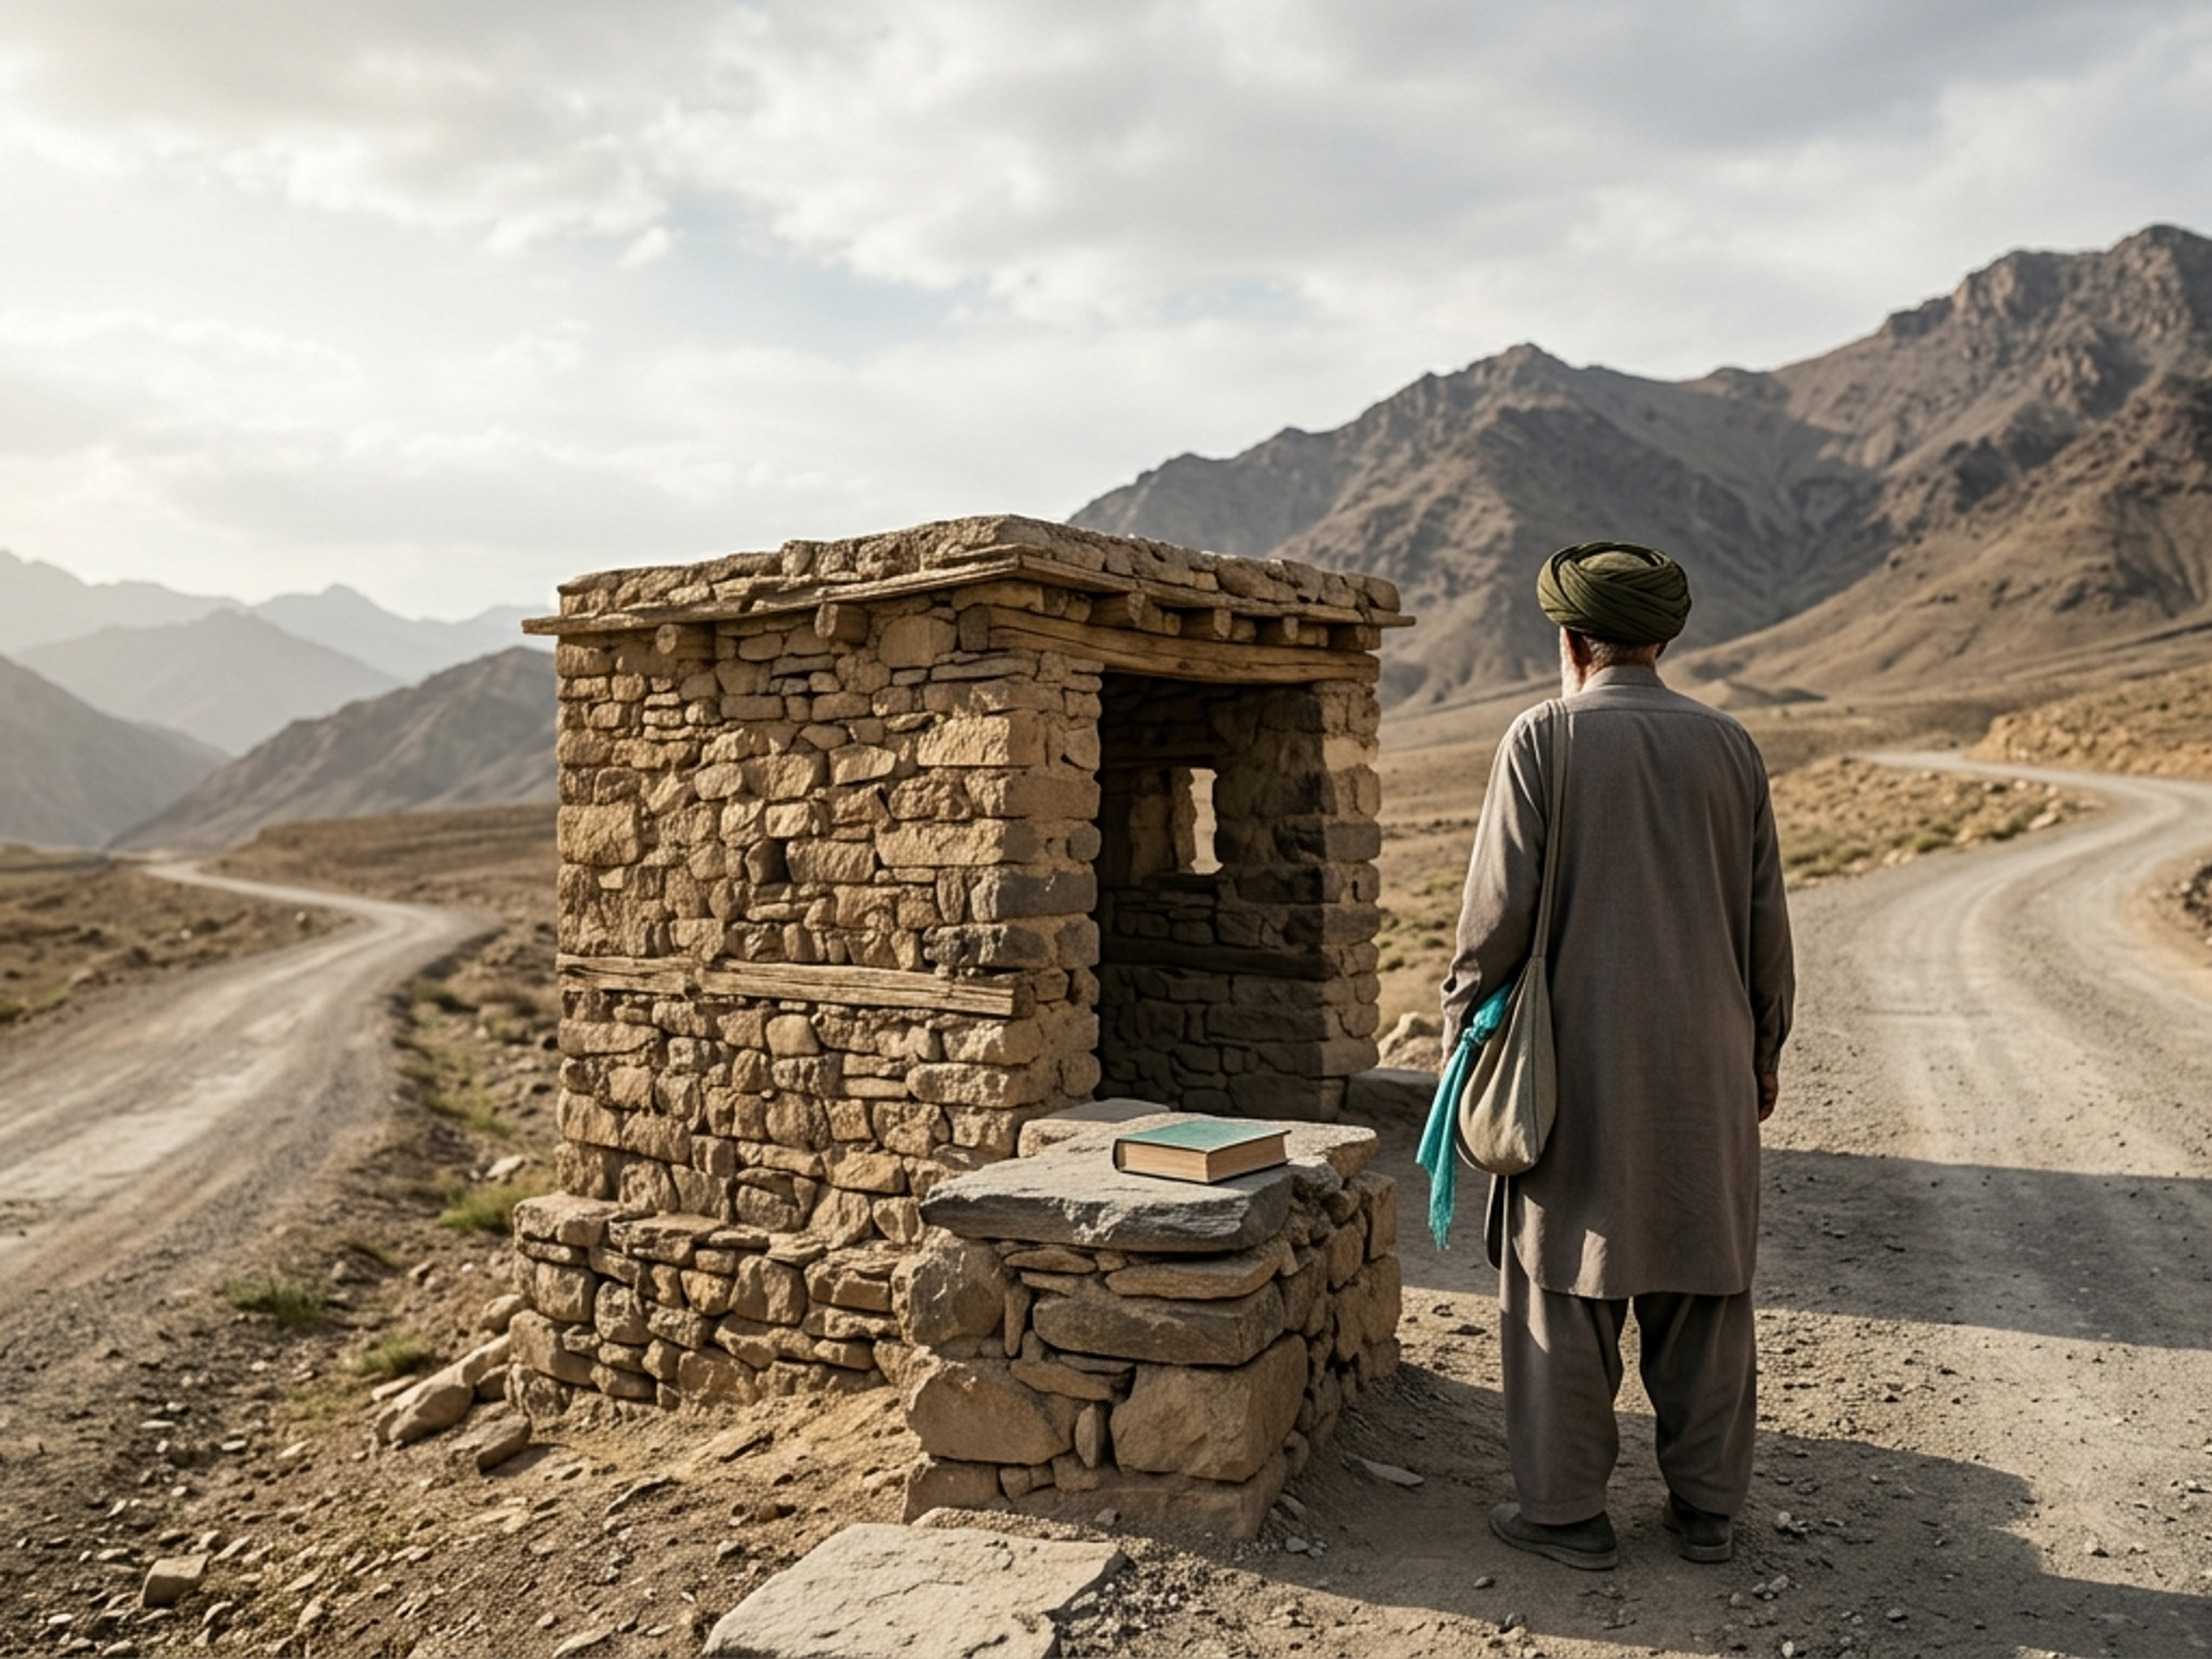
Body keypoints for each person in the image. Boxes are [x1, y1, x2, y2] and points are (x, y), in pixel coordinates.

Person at [1439, 541, 1794, 1570]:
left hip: (1573, 1067)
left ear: (1568, 640)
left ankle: (1566, 1517)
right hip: (1710, 1065)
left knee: (1561, 1281)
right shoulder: (1732, 745)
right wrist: (1763, 1049)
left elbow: (1491, 923)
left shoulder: (1541, 738)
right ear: (1664, 638)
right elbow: (1767, 923)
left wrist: (1466, 1036)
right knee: (1706, 1285)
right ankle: (1707, 1516)